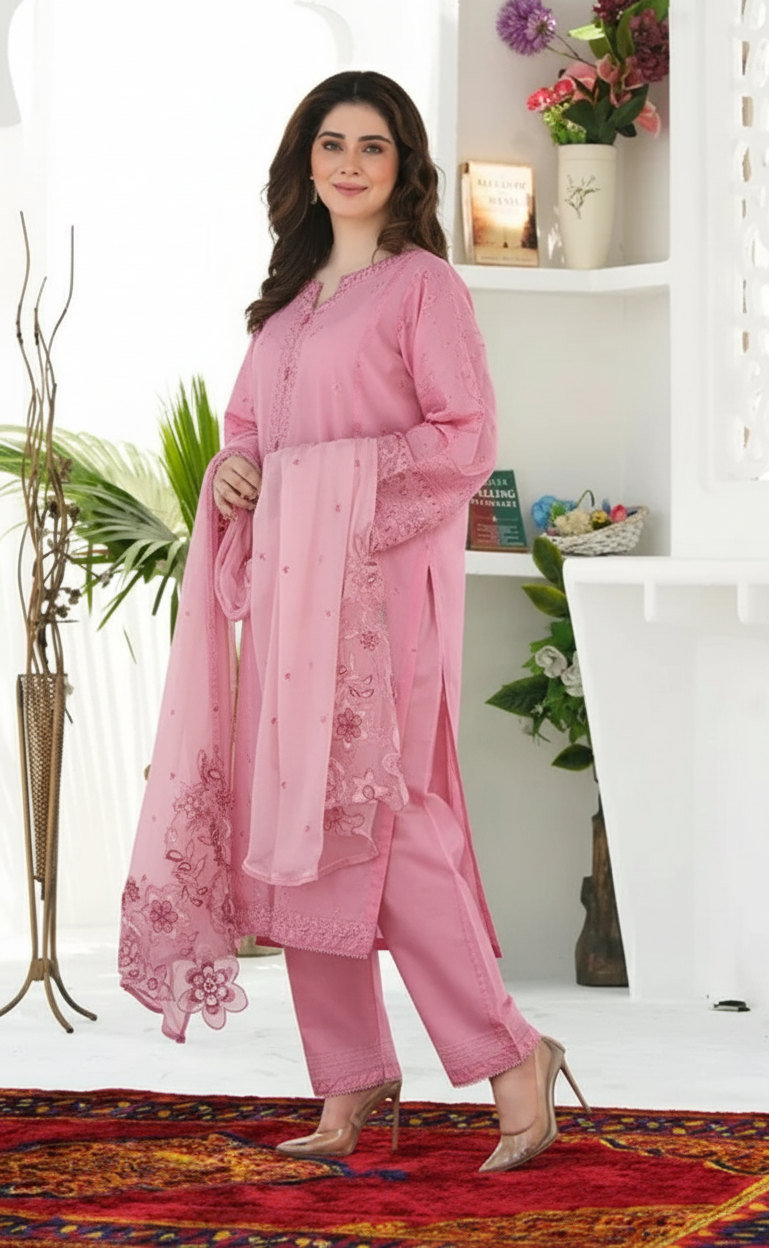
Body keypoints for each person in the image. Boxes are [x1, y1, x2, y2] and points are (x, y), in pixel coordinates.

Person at [119, 70, 588, 1174]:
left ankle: (511, 1054)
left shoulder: (423, 287)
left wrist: (319, 482)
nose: (348, 163)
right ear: (305, 162)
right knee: (292, 828)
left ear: (402, 167)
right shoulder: (286, 310)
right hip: (289, 598)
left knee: (393, 822)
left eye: (371, 146)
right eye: (331, 143)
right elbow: (247, 435)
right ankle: (348, 1082)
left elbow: (462, 437)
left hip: (377, 598)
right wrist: (238, 476)